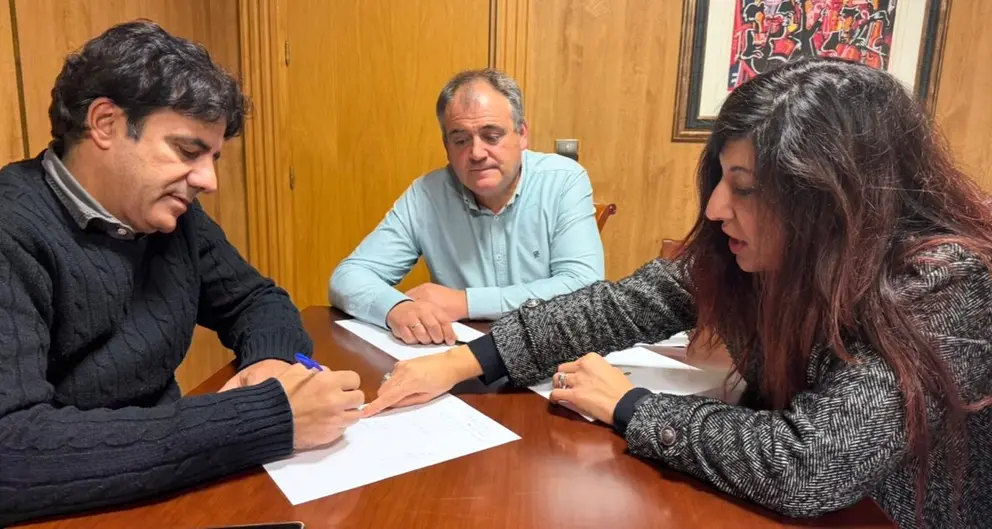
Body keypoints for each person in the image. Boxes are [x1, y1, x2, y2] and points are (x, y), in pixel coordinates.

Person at [362, 58, 992, 527]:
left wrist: (630, 405)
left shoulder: (947, 284)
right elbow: (616, 304)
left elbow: (810, 464)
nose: (715, 208)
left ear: (831, 197)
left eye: (745, 187)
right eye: (720, 179)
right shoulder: (757, 254)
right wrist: (467, 361)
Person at [0, 21, 363, 525]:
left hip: (166, 484)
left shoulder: (174, 218)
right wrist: (266, 418)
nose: (208, 180)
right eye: (188, 151)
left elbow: (256, 300)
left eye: (212, 158)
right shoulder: (12, 229)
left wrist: (269, 363)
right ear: (104, 123)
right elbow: (12, 454)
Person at [329, 69, 604, 346]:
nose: (476, 153)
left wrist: (464, 302)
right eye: (461, 140)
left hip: (547, 350)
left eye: (491, 136)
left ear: (522, 134)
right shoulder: (427, 194)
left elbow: (583, 285)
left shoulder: (563, 179)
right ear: (446, 146)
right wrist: (395, 308)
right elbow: (348, 277)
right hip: (459, 355)